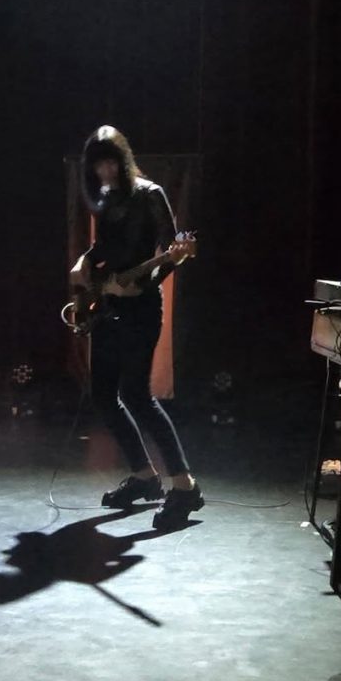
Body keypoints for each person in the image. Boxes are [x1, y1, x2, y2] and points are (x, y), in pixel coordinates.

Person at [69, 126, 203, 529]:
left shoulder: (150, 194)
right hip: (108, 306)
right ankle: (145, 477)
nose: (105, 172)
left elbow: (173, 254)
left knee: (138, 396)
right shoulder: (106, 197)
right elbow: (104, 248)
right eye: (98, 166)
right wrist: (84, 262)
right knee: (104, 396)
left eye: (110, 163)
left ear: (123, 161)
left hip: (141, 308)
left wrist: (139, 285)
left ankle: (185, 486)